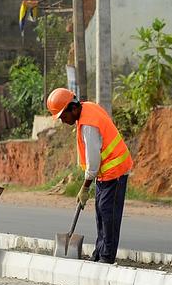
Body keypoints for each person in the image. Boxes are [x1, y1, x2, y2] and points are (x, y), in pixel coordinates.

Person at [46, 88, 133, 264]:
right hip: (105, 172)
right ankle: (99, 253)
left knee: (108, 214)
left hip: (114, 170)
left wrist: (85, 187)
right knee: (101, 212)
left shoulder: (88, 125)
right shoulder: (88, 109)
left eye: (63, 116)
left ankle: (106, 257)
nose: (63, 121)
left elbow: (93, 160)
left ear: (73, 108)